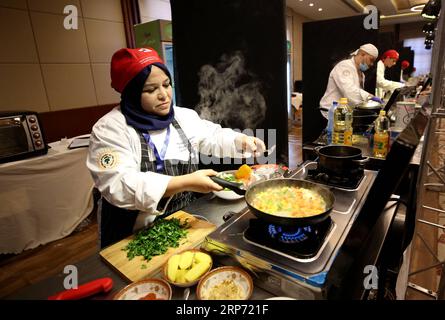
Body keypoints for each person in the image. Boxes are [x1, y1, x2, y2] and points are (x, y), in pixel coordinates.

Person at [87, 48, 266, 248]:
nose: (164, 95)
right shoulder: (110, 129)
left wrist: (240, 140)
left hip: (181, 221)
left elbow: (211, 136)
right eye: (150, 89)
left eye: (166, 84)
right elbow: (118, 184)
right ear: (131, 92)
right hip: (132, 231)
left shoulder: (182, 116)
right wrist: (184, 182)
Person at [319, 43, 382, 119]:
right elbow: (349, 92)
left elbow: (355, 99)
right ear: (362, 54)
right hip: (330, 112)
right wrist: (369, 97)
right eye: (371, 60)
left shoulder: (362, 74)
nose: (372, 64)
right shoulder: (344, 66)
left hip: (344, 113)